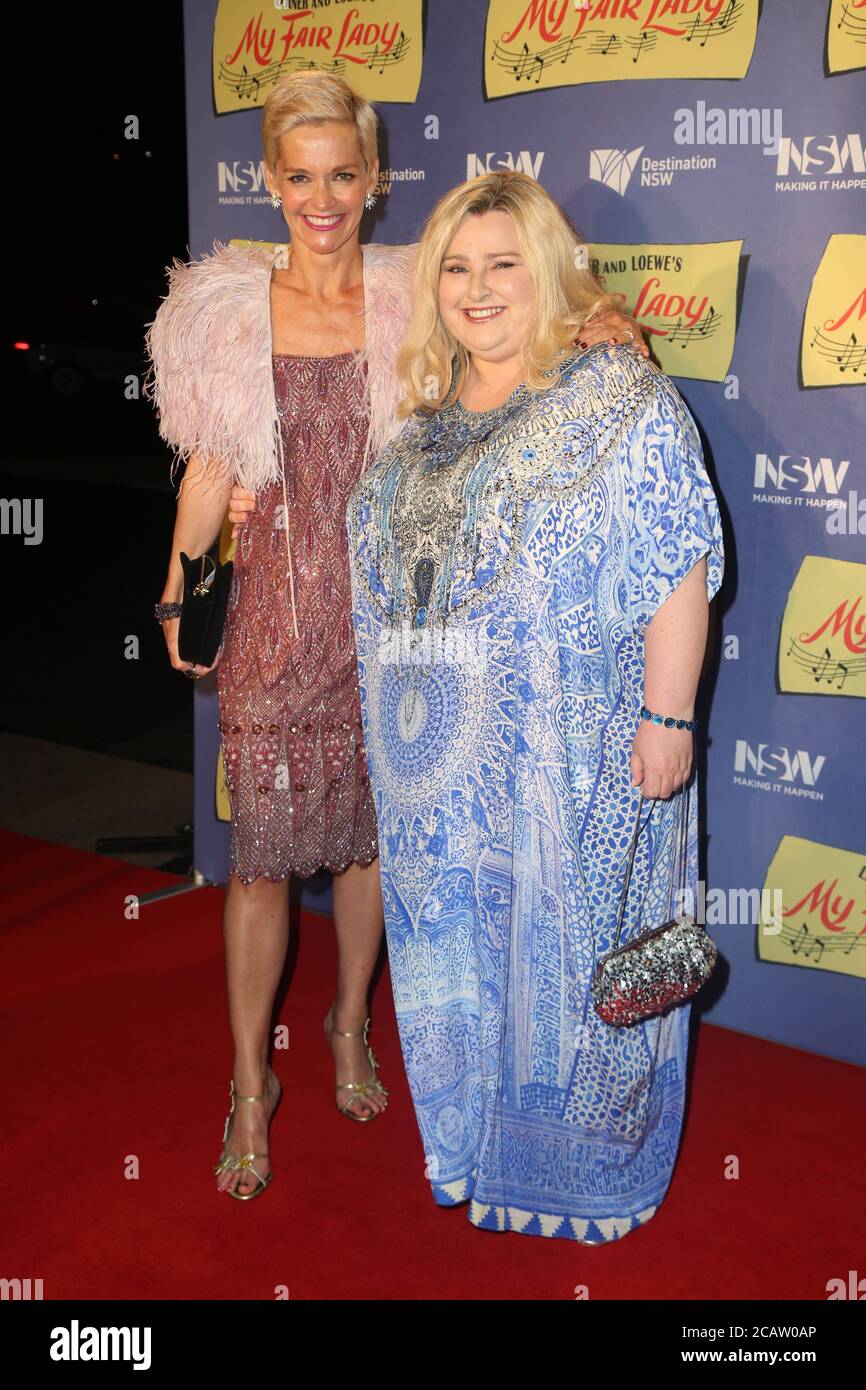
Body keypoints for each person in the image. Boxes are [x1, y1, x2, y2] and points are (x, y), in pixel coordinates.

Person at [146, 71, 646, 1199]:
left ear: (372, 181)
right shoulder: (227, 307)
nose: (320, 197)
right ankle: (244, 1084)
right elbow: (211, 470)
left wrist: (598, 321)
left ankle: (347, 1025)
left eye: (341, 174)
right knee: (261, 865)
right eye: (298, 175)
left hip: (395, 617)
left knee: (375, 846)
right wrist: (180, 588)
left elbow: (505, 333)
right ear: (269, 180)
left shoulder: (401, 295)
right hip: (274, 622)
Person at [345, 170, 724, 1243]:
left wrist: (667, 716)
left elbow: (675, 560)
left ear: (548, 270)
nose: (477, 288)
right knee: (460, 962)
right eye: (456, 269)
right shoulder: (416, 424)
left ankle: (589, 1174)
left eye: (503, 263)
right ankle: (465, 1145)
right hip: (443, 790)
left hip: (580, 762)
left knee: (579, 969)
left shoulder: (615, 395)